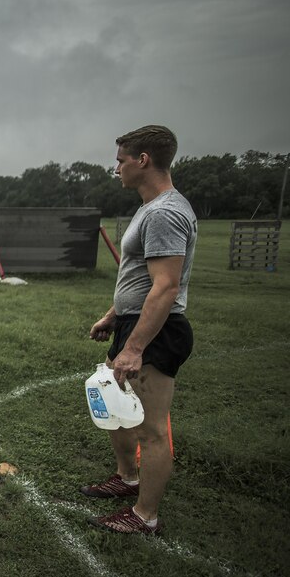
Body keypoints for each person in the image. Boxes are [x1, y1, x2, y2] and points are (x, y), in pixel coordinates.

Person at [84, 125, 197, 535]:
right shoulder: (150, 207)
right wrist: (115, 315)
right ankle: (127, 478)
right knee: (116, 410)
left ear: (142, 160)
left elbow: (165, 286)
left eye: (120, 160)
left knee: (150, 429)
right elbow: (141, 280)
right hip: (133, 323)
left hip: (157, 331)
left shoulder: (166, 212)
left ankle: (144, 516)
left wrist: (134, 347)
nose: (116, 168)